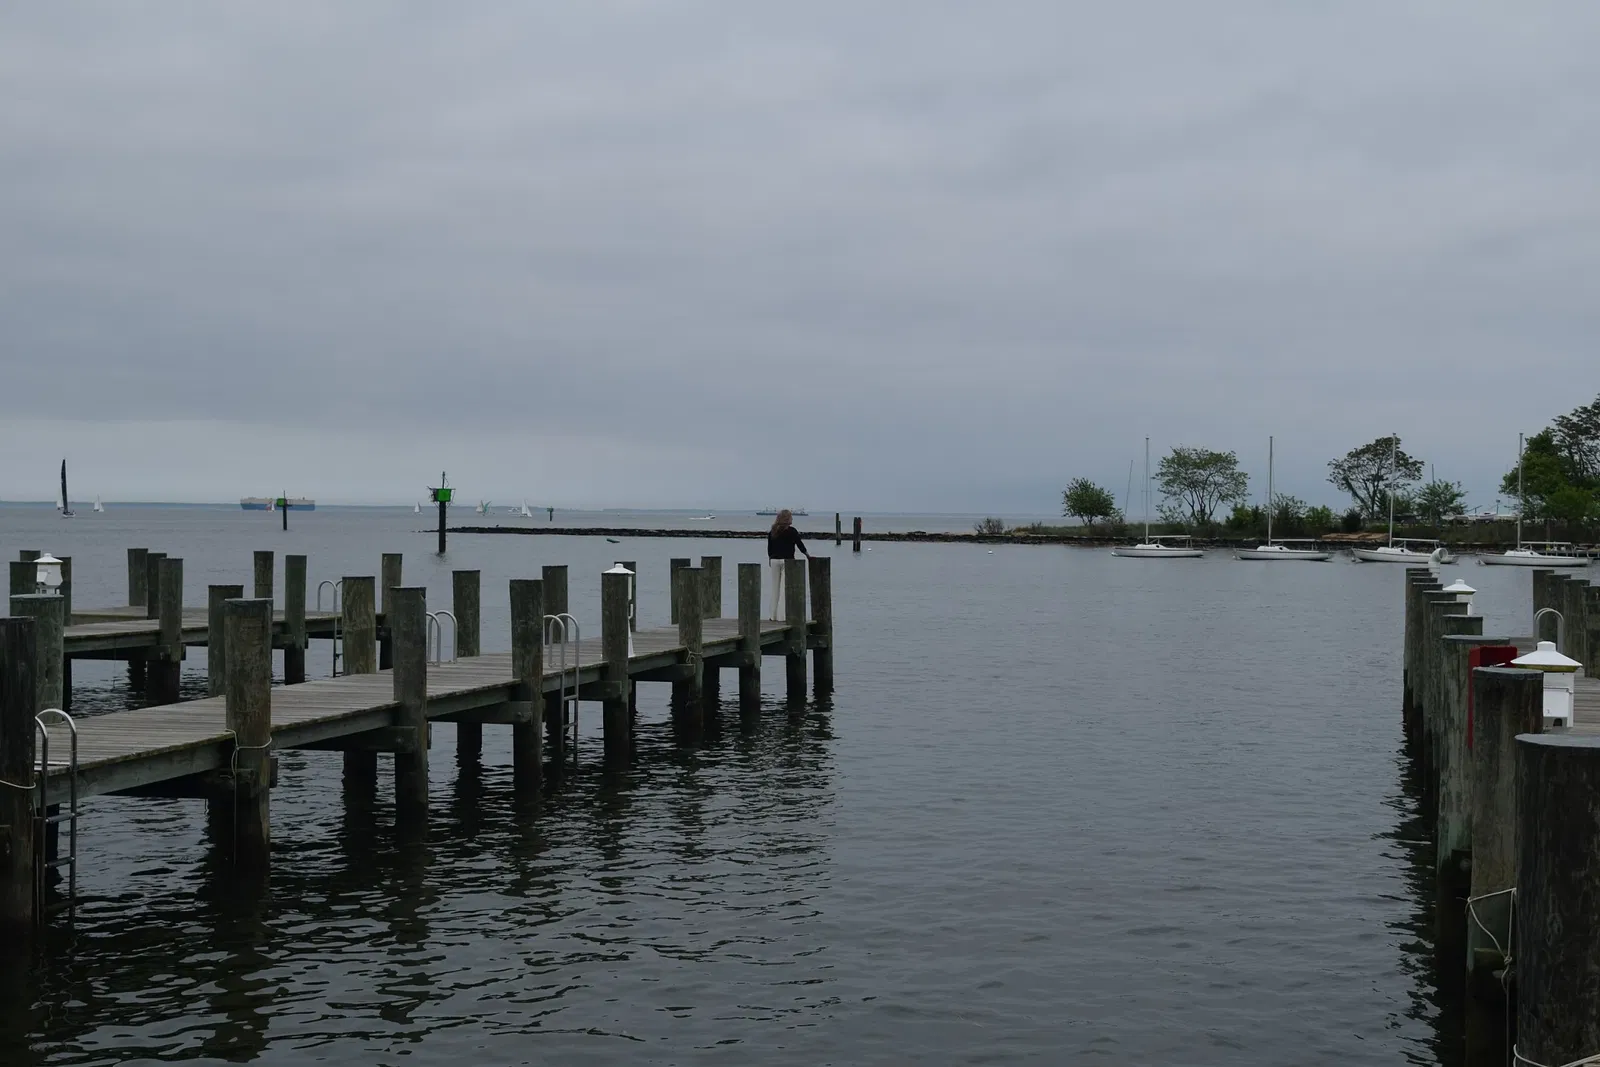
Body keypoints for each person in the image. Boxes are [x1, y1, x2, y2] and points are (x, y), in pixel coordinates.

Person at [767, 508, 810, 619]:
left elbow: (769, 548)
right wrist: (807, 555)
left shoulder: (773, 531)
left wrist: (770, 559)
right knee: (784, 589)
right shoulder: (792, 531)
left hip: (774, 561)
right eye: (791, 517)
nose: (792, 519)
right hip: (787, 561)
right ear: (787, 519)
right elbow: (800, 545)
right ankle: (782, 616)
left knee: (775, 588)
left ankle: (773, 615)